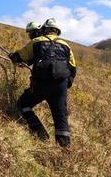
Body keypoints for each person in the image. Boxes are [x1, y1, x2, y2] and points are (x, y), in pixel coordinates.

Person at [9, 18, 76, 147]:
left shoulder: (37, 41)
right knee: (60, 116)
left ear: (44, 29)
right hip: (60, 86)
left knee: (23, 104)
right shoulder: (67, 46)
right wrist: (66, 85)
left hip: (41, 84)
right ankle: (64, 150)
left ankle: (39, 132)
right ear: (58, 31)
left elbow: (20, 57)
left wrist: (13, 57)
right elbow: (73, 68)